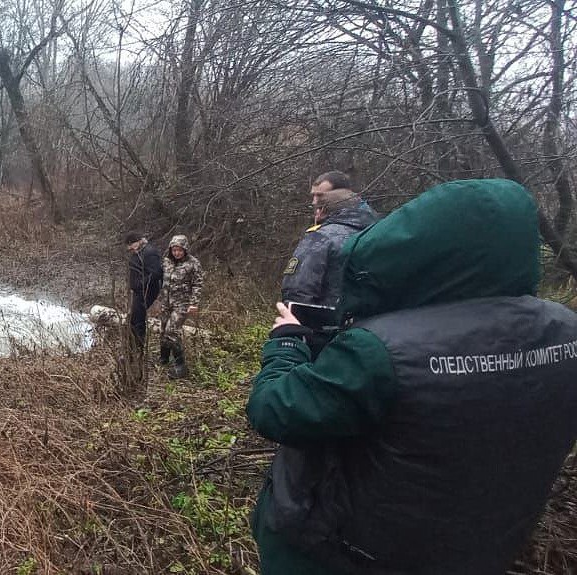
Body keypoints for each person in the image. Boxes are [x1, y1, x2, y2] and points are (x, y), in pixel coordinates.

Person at [247, 179, 577, 574]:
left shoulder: (380, 351)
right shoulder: (565, 331)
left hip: (342, 553)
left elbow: (273, 408)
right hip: (480, 549)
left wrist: (286, 343)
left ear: (424, 254)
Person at [281, 171, 379, 307]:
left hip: (326, 324)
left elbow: (296, 292)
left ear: (343, 197)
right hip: (375, 324)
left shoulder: (321, 238)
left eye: (320, 196)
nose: (314, 202)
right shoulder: (379, 232)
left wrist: (295, 326)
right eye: (313, 196)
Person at [159, 235, 204, 379]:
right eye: (174, 250)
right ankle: (164, 358)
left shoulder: (193, 263)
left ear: (185, 249)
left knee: (171, 331)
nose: (176, 253)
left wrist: (194, 303)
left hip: (182, 304)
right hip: (166, 303)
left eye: (179, 250)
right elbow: (159, 278)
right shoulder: (166, 262)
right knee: (163, 329)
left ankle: (180, 366)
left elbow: (198, 284)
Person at [124, 231, 163, 353]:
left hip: (146, 291)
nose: (129, 249)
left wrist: (140, 284)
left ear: (138, 241)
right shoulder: (138, 252)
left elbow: (156, 273)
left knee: (138, 320)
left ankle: (137, 349)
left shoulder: (150, 253)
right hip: (138, 292)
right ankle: (133, 347)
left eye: (131, 245)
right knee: (134, 320)